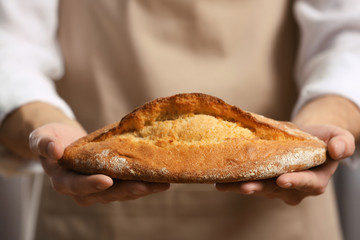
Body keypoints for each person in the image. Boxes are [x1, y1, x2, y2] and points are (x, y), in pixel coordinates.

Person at [0, 0, 360, 239]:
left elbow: (349, 35)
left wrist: (330, 114)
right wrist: (42, 126)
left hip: (278, 216)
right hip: (89, 211)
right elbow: (10, 48)